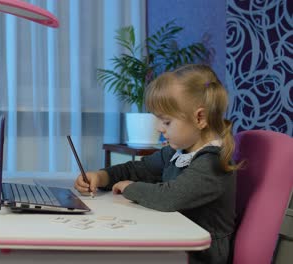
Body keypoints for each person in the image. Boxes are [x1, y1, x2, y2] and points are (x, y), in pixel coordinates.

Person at [75, 64, 239, 264]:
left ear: (200, 118)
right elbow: (139, 169)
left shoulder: (213, 163)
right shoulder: (178, 151)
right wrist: (102, 176)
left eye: (166, 122)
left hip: (200, 255)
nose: (159, 128)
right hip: (175, 238)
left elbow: (170, 197)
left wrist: (130, 187)